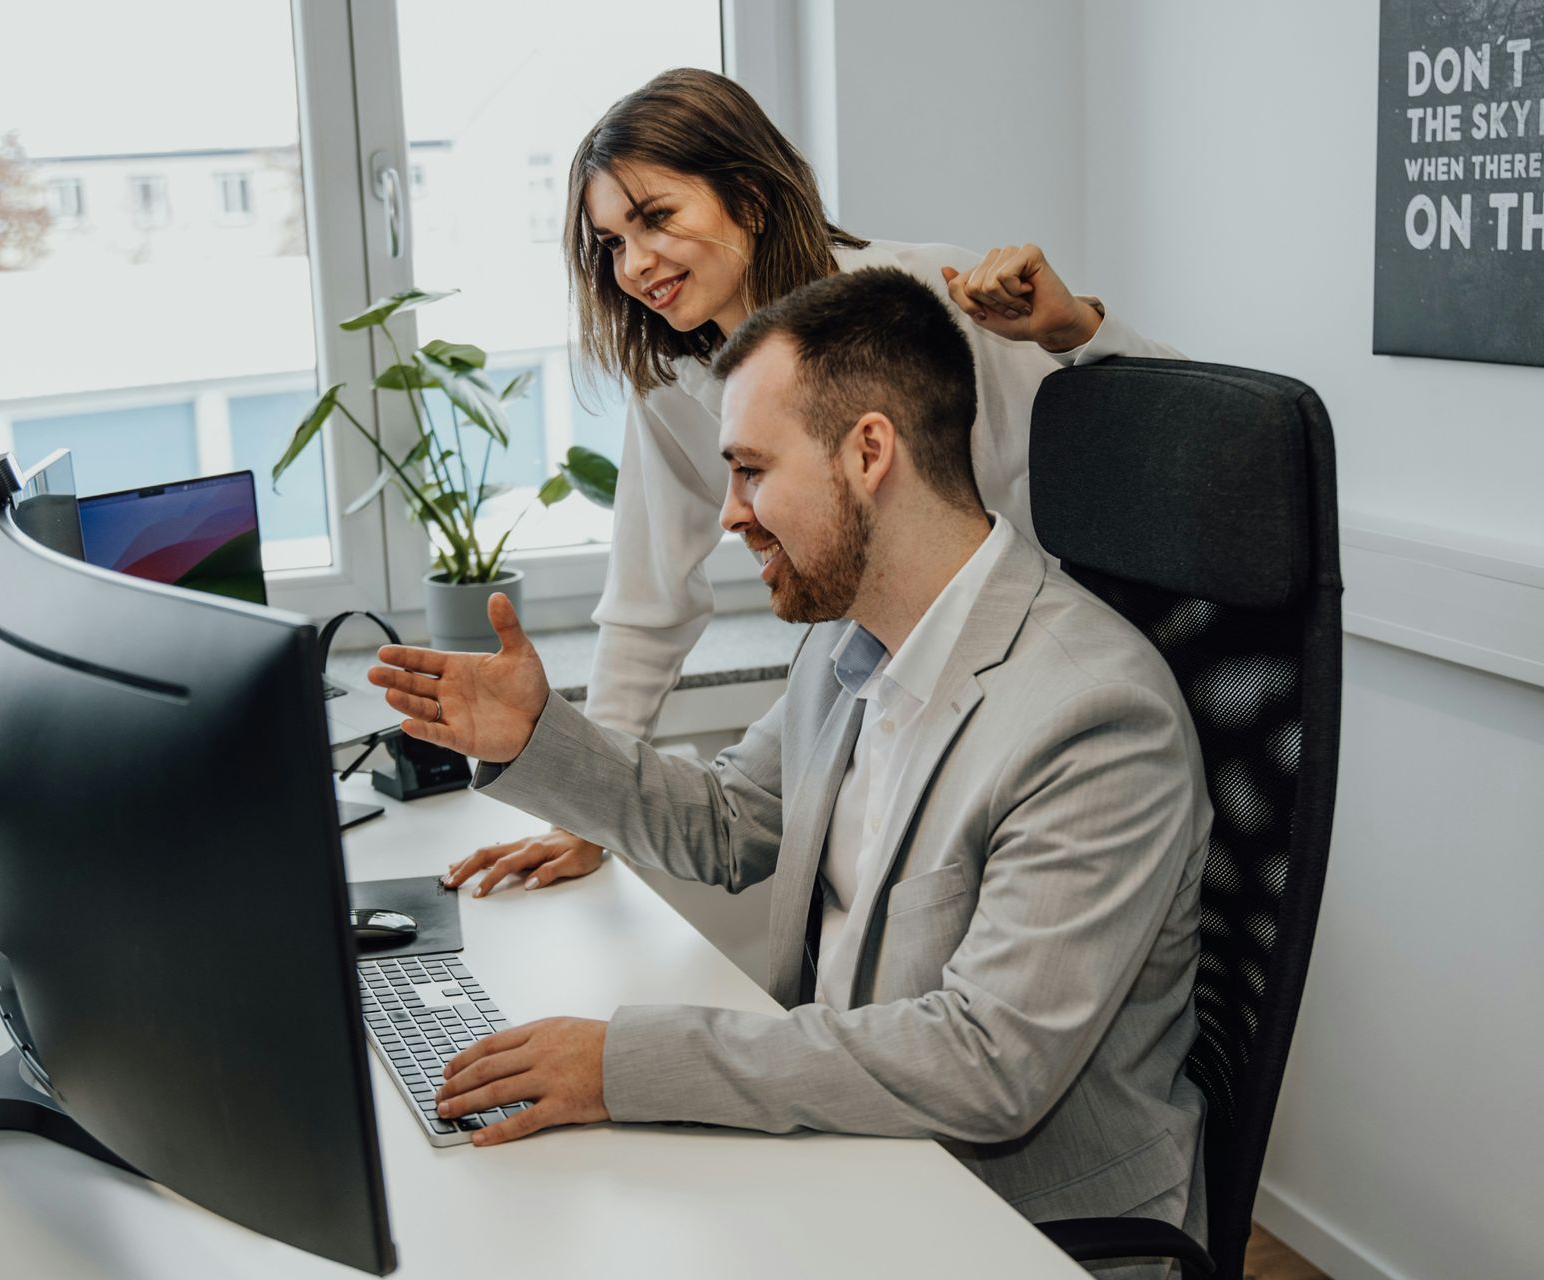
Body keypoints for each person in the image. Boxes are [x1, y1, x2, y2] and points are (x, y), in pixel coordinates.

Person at [368, 268, 1211, 1259]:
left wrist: (620, 1063)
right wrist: (534, 737)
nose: (729, 512)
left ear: (868, 452)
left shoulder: (1093, 716)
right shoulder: (851, 641)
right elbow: (729, 822)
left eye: (752, 469)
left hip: (1012, 1225)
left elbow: (988, 1062)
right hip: (856, 1154)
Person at [445, 67, 1185, 897]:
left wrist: (1068, 329)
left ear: (751, 200)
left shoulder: (922, 300)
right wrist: (582, 815)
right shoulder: (675, 380)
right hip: (874, 661)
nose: (636, 262)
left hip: (1027, 681)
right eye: (613, 241)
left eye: (656, 218)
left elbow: (1176, 451)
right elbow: (650, 598)